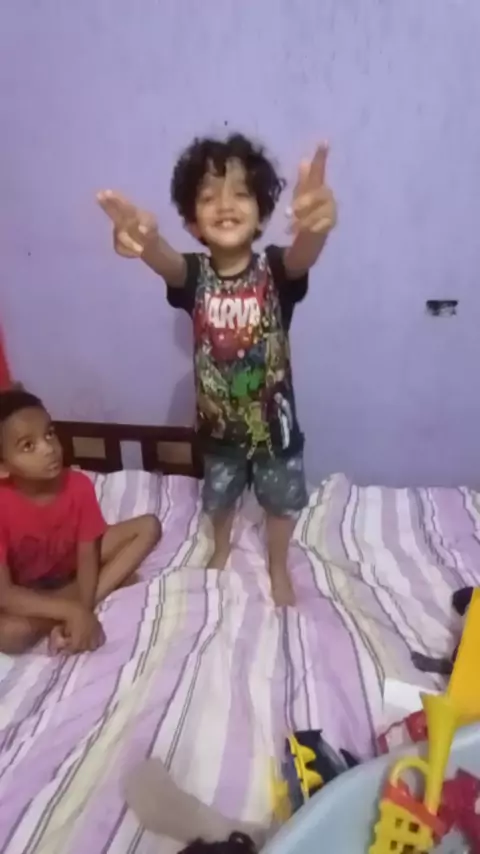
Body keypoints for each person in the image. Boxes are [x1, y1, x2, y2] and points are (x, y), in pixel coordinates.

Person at [97, 133, 336, 606]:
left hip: (274, 429)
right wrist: (146, 241)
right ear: (192, 221)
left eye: (241, 193)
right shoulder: (194, 276)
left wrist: (316, 227)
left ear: (262, 214)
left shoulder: (275, 270)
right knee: (219, 499)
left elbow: (303, 254)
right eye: (208, 197)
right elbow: (164, 260)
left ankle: (277, 564)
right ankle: (222, 547)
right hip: (218, 430)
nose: (225, 204)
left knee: (280, 503)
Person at [0, 388, 162, 655]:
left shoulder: (78, 486)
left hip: (71, 564)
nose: (49, 449)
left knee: (149, 527)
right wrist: (69, 610)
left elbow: (87, 557)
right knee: (8, 635)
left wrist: (82, 612)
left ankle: (76, 602)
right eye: (28, 446)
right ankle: (110, 580)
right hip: (27, 590)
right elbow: (5, 594)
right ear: (3, 467)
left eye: (49, 434)